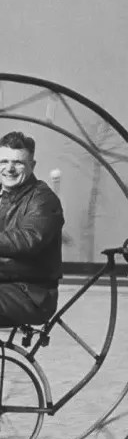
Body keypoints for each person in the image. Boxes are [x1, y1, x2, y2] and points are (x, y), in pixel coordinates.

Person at [0, 131, 64, 327]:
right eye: (4, 161)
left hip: (31, 293)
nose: (9, 169)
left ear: (32, 166)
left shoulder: (42, 199)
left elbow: (29, 239)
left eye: (18, 163)